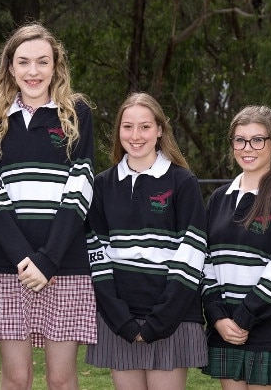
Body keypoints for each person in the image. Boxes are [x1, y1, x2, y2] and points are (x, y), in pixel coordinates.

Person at [0, 23, 96, 390]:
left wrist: (48, 260)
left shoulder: (76, 113)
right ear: (10, 68)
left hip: (65, 263)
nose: (33, 71)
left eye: (42, 62)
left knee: (61, 379)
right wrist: (25, 259)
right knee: (16, 378)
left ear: (56, 66)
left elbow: (81, 188)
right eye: (23, 62)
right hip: (9, 266)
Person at [85, 92, 208, 390]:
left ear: (160, 130)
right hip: (120, 319)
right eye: (127, 127)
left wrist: (159, 322)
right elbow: (96, 254)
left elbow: (192, 254)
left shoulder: (182, 182)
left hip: (171, 318)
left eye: (145, 127)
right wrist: (121, 319)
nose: (135, 135)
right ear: (118, 131)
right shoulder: (102, 185)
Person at [201, 105, 271, 390]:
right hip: (226, 330)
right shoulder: (218, 199)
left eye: (257, 139)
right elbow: (205, 262)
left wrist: (244, 318)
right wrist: (217, 317)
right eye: (239, 140)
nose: (247, 148)